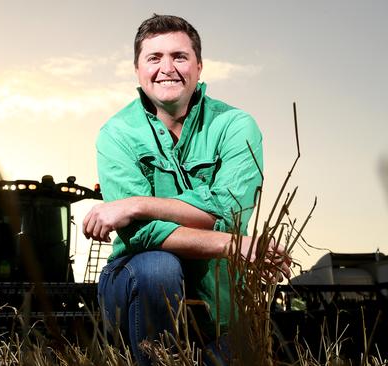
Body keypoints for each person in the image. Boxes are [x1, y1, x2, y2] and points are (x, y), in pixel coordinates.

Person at [83, 14, 291, 365]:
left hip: (221, 297)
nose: (168, 68)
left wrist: (137, 204)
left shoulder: (235, 126)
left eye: (179, 57)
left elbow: (228, 210)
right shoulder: (116, 134)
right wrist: (233, 244)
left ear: (199, 66)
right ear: (137, 69)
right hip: (135, 285)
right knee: (158, 266)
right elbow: (144, 236)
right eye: (154, 58)